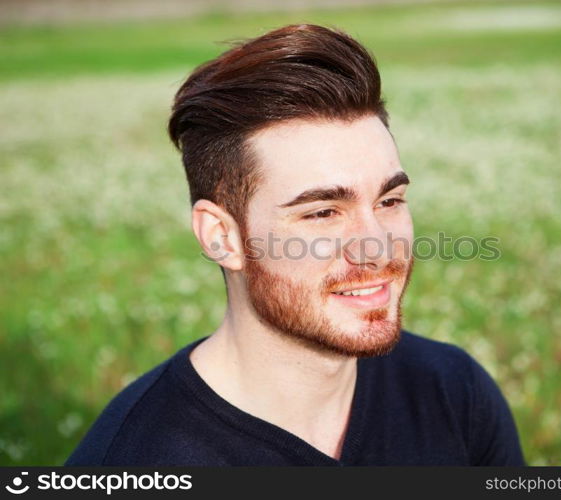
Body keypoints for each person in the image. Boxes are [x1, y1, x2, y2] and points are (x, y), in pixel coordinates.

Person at [65, 24, 525, 466]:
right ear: (222, 237)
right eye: (322, 212)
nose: (379, 248)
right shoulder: (134, 462)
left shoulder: (451, 389)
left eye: (389, 200)